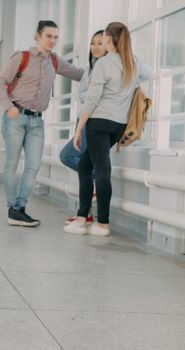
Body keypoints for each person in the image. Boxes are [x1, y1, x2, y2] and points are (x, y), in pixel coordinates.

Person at [63, 22, 153, 236]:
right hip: (118, 126)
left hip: (99, 123)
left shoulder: (104, 63)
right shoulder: (134, 62)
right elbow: (151, 75)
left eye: (103, 37)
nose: (101, 41)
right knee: (86, 168)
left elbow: (92, 99)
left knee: (102, 171)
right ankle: (82, 218)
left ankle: (102, 223)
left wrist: (79, 128)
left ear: (109, 38)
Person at [0, 20, 84, 227]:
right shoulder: (22, 57)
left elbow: (78, 74)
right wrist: (9, 107)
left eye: (55, 37)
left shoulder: (55, 61)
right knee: (12, 163)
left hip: (37, 122)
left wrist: (105, 67)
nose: (52, 40)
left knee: (33, 166)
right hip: (16, 117)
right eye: (48, 36)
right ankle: (13, 209)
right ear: (38, 36)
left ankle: (19, 208)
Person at [60, 30, 106, 225]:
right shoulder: (90, 67)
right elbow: (84, 97)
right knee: (83, 167)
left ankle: (98, 181)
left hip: (95, 121)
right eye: (93, 43)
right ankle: (85, 213)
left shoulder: (108, 68)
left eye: (100, 43)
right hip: (83, 119)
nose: (95, 47)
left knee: (68, 156)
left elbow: (96, 98)